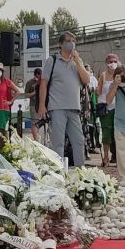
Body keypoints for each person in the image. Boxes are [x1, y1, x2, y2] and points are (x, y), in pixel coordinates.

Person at [38, 32, 91, 166]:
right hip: (57, 107)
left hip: (74, 108)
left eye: (73, 40)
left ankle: (81, 171)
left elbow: (86, 80)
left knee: (79, 140)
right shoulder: (52, 60)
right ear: (61, 44)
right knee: (58, 142)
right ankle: (58, 171)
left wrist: (78, 61)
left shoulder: (77, 61)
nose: (71, 43)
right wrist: (42, 105)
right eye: (68, 41)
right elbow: (43, 83)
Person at [96, 54, 122, 167]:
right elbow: (98, 91)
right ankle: (106, 156)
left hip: (118, 107)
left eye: (114, 61)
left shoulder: (121, 75)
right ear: (106, 63)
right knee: (106, 132)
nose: (112, 64)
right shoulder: (103, 75)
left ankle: (118, 156)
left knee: (118, 132)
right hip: (105, 106)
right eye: (110, 62)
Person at [22, 67, 43, 139]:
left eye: (40, 76)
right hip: (34, 105)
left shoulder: (44, 81)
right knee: (34, 122)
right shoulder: (30, 83)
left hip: (44, 104)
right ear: (35, 75)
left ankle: (43, 137)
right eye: (37, 76)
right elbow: (26, 95)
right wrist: (34, 93)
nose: (38, 77)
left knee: (44, 121)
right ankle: (36, 139)